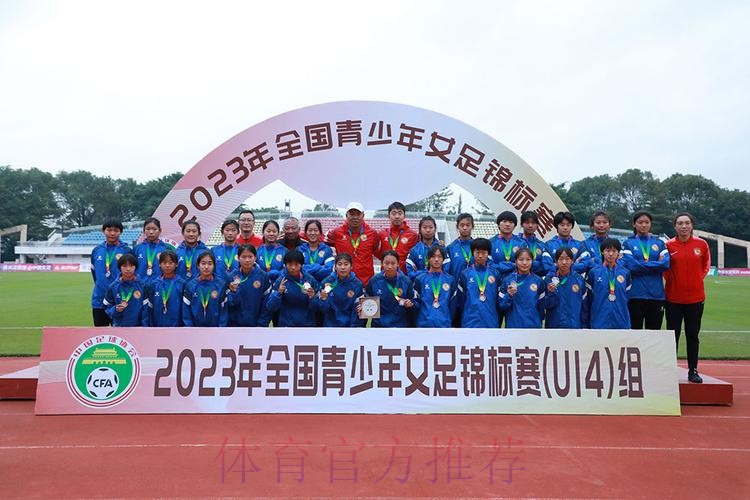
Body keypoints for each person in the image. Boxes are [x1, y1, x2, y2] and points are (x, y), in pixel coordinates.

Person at [664, 212, 710, 383]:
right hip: (673, 298)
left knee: (692, 335)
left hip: (695, 299)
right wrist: (674, 282)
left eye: (687, 223)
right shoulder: (668, 245)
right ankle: (670, 371)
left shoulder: (701, 244)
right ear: (675, 226)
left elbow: (705, 265)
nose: (684, 226)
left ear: (692, 225)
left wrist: (697, 279)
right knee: (672, 336)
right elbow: (665, 269)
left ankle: (693, 370)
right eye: (680, 223)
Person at [622, 210, 670, 330]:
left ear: (650, 224)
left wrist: (640, 264)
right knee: (634, 333)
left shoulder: (659, 243)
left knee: (654, 334)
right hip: (635, 295)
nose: (644, 225)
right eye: (640, 222)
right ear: (634, 224)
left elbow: (665, 264)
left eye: (647, 222)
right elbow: (631, 266)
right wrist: (656, 265)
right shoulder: (628, 243)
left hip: (656, 295)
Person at [90, 218, 132, 326]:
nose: (112, 233)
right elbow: (95, 274)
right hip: (99, 300)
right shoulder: (97, 250)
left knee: (121, 334)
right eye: (109, 230)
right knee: (101, 333)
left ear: (121, 232)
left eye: (116, 230)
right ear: (103, 231)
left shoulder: (126, 250)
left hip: (120, 301)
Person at [326, 202, 380, 285]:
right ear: (346, 215)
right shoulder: (336, 233)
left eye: (358, 214)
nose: (355, 217)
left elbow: (375, 250)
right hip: (344, 281)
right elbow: (320, 241)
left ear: (363, 215)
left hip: (366, 281)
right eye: (351, 214)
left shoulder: (372, 233)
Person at [583, 238, 631, 329]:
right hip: (599, 321)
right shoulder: (594, 273)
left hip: (621, 322)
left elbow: (626, 297)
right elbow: (589, 299)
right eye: (608, 251)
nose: (611, 254)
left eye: (614, 251)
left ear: (618, 253)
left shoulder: (625, 273)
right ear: (602, 252)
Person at [265, 249, 320, 327]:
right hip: (286, 324)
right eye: (290, 264)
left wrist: (312, 298)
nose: (293, 267)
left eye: (296, 264)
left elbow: (317, 308)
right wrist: (278, 293)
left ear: (301, 265)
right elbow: (270, 307)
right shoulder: (280, 281)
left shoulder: (310, 280)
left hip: (307, 324)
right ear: (285, 265)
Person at [456, 238, 502, 328]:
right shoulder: (465, 274)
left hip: (491, 321)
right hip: (470, 322)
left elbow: (498, 301)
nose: (480, 256)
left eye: (484, 253)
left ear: (488, 254)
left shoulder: (495, 274)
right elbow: (461, 301)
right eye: (477, 252)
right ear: (472, 253)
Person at [364, 250, 415, 327]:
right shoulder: (374, 281)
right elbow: (367, 301)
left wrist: (411, 303)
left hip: (401, 326)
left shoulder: (406, 281)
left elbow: (414, 302)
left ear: (398, 264)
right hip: (379, 326)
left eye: (393, 263)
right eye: (387, 263)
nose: (390, 266)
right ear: (382, 264)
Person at [313, 253, 365, 327]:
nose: (342, 267)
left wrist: (353, 329)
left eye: (346, 264)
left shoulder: (357, 285)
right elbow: (323, 310)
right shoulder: (326, 282)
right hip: (329, 326)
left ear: (351, 267)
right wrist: (323, 300)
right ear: (335, 267)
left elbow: (357, 311)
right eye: (339, 264)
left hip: (349, 326)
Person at [499, 248, 545, 328]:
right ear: (516, 261)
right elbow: (502, 306)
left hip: (534, 327)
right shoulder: (507, 281)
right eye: (521, 260)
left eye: (528, 259)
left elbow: (541, 307)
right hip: (513, 327)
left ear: (532, 261)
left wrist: (538, 323)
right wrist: (509, 295)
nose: (524, 263)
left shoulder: (538, 281)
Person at [226, 245, 271, 327]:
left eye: (250, 257)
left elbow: (266, 304)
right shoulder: (231, 277)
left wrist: (262, 324)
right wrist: (233, 292)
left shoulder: (263, 276)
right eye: (243, 257)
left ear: (255, 258)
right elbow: (230, 304)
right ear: (238, 258)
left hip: (257, 324)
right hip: (235, 325)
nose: (247, 260)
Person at [413, 246, 456, 328]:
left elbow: (453, 305)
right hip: (424, 325)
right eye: (433, 256)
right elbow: (416, 303)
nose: (436, 259)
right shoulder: (420, 279)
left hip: (444, 325)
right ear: (428, 259)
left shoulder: (450, 280)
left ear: (443, 259)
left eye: (439, 257)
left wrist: (447, 319)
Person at [182, 251, 229, 327]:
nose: (206, 267)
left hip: (216, 330)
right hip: (195, 330)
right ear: (198, 266)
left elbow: (224, 311)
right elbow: (186, 311)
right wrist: (189, 328)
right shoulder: (190, 285)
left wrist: (221, 329)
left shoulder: (221, 285)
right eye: (203, 263)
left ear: (214, 266)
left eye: (210, 264)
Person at [544, 247, 587, 328]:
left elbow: (584, 307)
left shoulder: (579, 280)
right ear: (556, 261)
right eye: (560, 259)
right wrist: (551, 293)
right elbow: (546, 305)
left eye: (567, 259)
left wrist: (584, 326)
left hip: (574, 326)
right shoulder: (548, 280)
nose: (564, 262)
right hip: (553, 327)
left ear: (572, 261)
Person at [142, 250, 185, 327]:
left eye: (171, 263)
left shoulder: (182, 284)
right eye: (164, 263)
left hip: (177, 328)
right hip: (157, 327)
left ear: (176, 264)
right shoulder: (154, 284)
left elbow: (185, 310)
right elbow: (149, 308)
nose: (167, 265)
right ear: (159, 264)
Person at [376, 201, 418, 274]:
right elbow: (377, 254)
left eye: (400, 213)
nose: (397, 216)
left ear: (404, 216)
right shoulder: (382, 234)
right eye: (393, 213)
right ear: (388, 216)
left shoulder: (413, 235)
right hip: (385, 275)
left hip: (405, 275)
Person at [104, 254, 146, 326]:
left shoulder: (143, 286)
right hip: (119, 327)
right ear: (120, 268)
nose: (128, 269)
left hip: (138, 327)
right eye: (124, 266)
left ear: (136, 267)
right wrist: (115, 309)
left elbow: (146, 309)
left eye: (131, 266)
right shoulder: (113, 287)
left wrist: (144, 326)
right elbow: (106, 306)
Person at [406, 216, 447, 281]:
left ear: (435, 229)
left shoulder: (442, 247)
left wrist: (419, 272)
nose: (428, 230)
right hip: (420, 285)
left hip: (438, 284)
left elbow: (446, 270)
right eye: (425, 227)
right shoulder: (414, 250)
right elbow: (410, 273)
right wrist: (427, 272)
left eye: (431, 227)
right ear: (420, 229)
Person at [134, 217, 173, 283]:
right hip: (140, 285)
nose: (151, 232)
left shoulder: (166, 249)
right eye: (148, 229)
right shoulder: (137, 249)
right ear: (144, 231)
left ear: (160, 230)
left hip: (160, 285)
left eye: (154, 229)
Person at [489, 211, 526, 280]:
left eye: (511, 222)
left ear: (515, 225)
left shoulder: (521, 243)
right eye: (504, 221)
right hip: (495, 280)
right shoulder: (490, 242)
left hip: (516, 281)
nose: (507, 224)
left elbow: (525, 262)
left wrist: (501, 265)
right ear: (498, 224)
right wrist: (512, 265)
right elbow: (489, 264)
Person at [444, 213, 475, 278]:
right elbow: (446, 271)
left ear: (472, 226)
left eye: (468, 225)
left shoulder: (478, 247)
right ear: (457, 226)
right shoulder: (450, 248)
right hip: (456, 284)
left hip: (475, 283)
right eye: (462, 225)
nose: (465, 228)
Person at [517, 210, 547, 277]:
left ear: (537, 225)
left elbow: (544, 265)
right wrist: (536, 264)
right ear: (522, 224)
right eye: (527, 223)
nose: (530, 225)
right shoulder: (515, 242)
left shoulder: (542, 245)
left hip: (537, 280)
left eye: (533, 223)